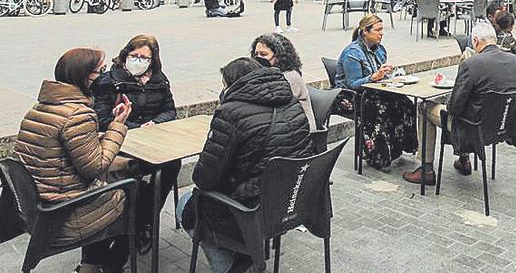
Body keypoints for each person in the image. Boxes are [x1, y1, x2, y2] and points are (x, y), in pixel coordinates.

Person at [180, 57, 312, 273]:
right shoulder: (291, 102)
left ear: (233, 85)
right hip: (291, 201)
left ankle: (233, 267)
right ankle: (246, 255)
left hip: (251, 209)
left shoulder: (231, 113)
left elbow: (204, 179)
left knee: (186, 203)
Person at [15, 48, 133, 272]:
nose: (104, 76)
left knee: (118, 181)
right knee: (140, 195)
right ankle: (111, 265)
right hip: (65, 211)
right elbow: (95, 167)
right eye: (101, 71)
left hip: (42, 202)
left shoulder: (41, 108)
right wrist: (118, 125)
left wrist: (95, 137)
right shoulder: (78, 114)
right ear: (85, 77)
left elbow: (64, 148)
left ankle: (91, 264)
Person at [403, 22, 516, 184]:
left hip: (476, 128)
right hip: (506, 126)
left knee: (424, 107)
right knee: (470, 106)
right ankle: (463, 160)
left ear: (475, 41)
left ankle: (426, 169)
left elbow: (454, 109)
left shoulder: (471, 64)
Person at [90, 35, 179, 241]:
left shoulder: (159, 79)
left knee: (172, 164)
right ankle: (134, 222)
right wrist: (136, 128)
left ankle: (145, 219)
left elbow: (170, 110)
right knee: (133, 172)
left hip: (153, 141)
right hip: (121, 143)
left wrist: (155, 123)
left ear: (152, 60)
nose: (138, 60)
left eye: (144, 57)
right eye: (134, 55)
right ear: (125, 55)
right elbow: (103, 119)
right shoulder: (110, 81)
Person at [334, 14, 418, 171]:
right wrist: (373, 77)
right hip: (348, 96)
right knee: (380, 108)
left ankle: (400, 147)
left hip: (372, 90)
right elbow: (353, 84)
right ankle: (377, 156)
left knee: (404, 102)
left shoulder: (380, 50)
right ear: (365, 31)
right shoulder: (352, 53)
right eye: (378, 30)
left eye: (382, 30)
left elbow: (380, 76)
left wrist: (387, 75)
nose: (381, 33)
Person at [251, 33, 318, 131]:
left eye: (263, 54)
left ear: (278, 57)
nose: (258, 58)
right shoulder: (264, 75)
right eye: (256, 54)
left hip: (300, 131)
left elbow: (269, 102)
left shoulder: (290, 77)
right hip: (280, 126)